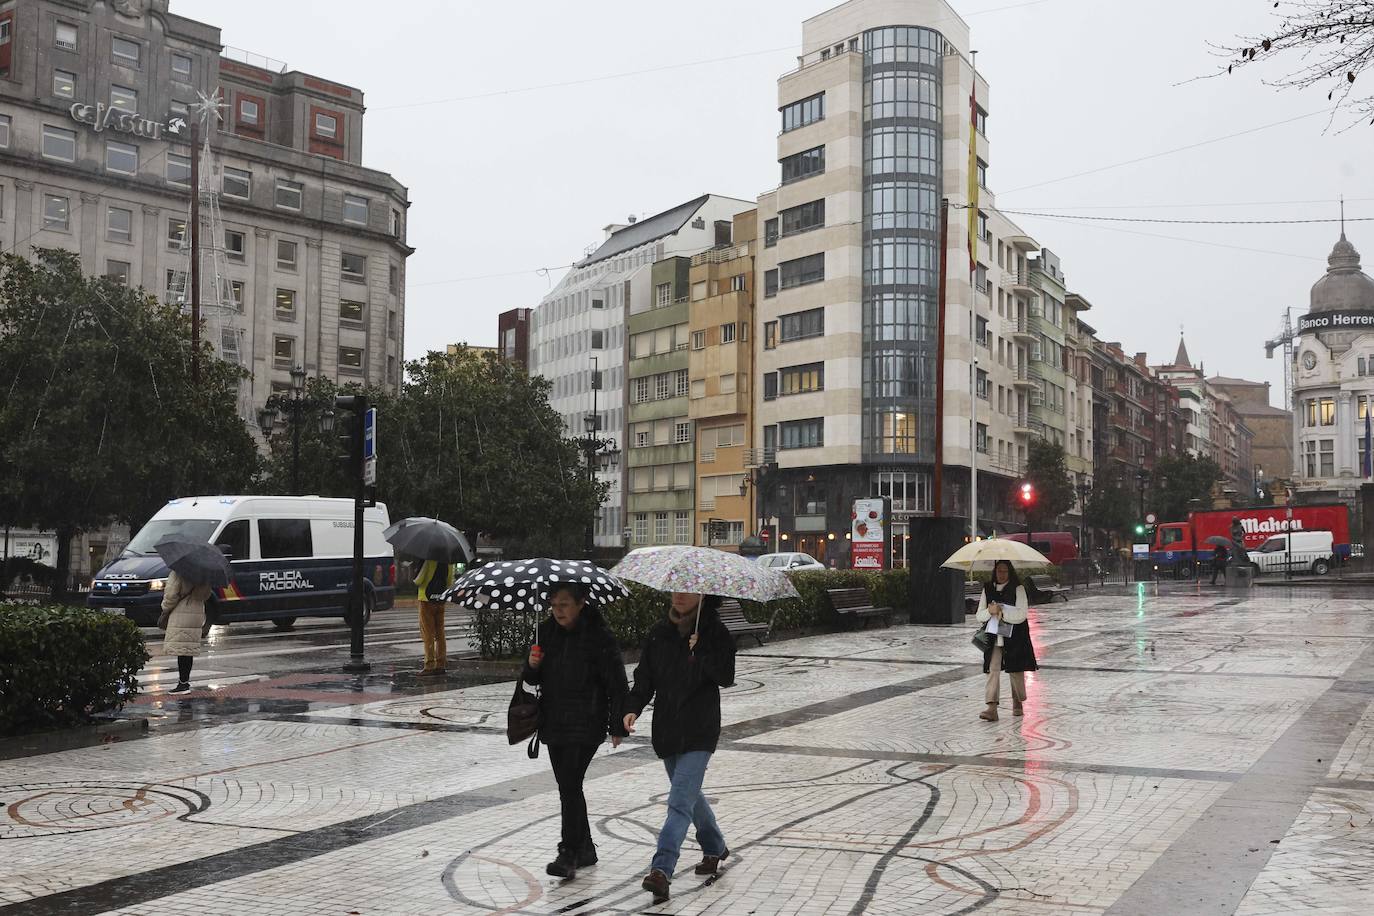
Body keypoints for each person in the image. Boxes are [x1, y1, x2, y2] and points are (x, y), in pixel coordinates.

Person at [624, 592, 736, 900]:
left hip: (700, 730)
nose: (680, 595)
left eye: (688, 589)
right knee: (689, 796)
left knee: (679, 801)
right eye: (676, 588)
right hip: (668, 730)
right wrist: (632, 706)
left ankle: (662, 869)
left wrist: (700, 652)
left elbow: (726, 676)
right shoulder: (660, 633)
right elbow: (645, 678)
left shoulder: (715, 632)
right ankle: (714, 846)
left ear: (702, 594)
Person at [522, 583, 629, 881]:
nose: (558, 611)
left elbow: (617, 682)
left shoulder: (598, 636)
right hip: (554, 720)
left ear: (582, 603)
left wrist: (617, 723)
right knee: (569, 786)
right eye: (554, 604)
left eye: (565, 604)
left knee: (569, 784)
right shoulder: (545, 633)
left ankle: (568, 852)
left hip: (587, 720)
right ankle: (586, 849)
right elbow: (531, 679)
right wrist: (531, 666)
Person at [975, 560, 1038, 722]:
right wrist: (990, 611)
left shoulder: (1018, 589)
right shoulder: (988, 588)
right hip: (994, 635)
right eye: (998, 571)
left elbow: (1021, 614)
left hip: (1014, 636)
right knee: (992, 668)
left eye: (1004, 571)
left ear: (1010, 572)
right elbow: (979, 615)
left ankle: (1017, 701)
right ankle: (992, 707)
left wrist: (1003, 613)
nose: (1001, 574)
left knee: (1015, 669)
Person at [158, 569, 214, 694]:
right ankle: (184, 681)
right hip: (197, 612)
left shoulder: (178, 572)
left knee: (181, 650)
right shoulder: (204, 574)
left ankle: (182, 684)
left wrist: (165, 608)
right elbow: (206, 595)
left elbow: (171, 595)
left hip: (181, 611)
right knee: (187, 649)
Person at [414, 558, 457, 676]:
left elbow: (418, 580)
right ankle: (441, 663)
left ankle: (429, 665)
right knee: (440, 633)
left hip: (426, 599)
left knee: (428, 633)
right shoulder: (448, 562)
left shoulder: (428, 559)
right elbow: (449, 582)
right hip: (440, 600)